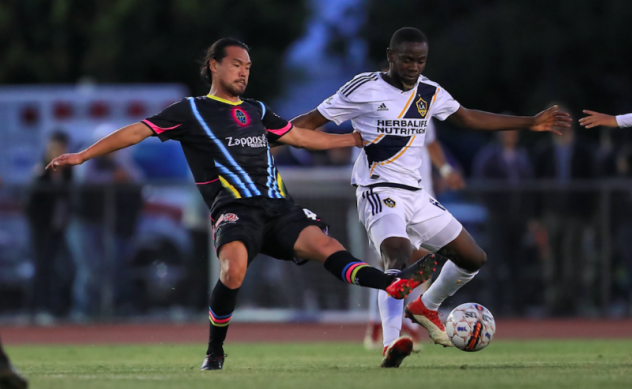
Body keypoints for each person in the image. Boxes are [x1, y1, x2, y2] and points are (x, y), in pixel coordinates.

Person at [47, 38, 437, 370]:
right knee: (233, 272)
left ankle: (392, 283)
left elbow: (300, 138)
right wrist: (82, 156)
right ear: (213, 66)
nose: (243, 72)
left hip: (279, 206)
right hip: (235, 209)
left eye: (247, 66)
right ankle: (215, 351)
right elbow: (137, 131)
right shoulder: (191, 110)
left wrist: (351, 140)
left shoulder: (257, 110)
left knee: (327, 247)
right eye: (236, 64)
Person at [291, 27, 570, 366]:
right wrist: (263, 142)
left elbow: (467, 118)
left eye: (420, 61)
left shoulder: (429, 92)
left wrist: (530, 122)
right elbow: (307, 121)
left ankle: (427, 306)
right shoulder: (364, 87)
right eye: (407, 59)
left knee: (473, 258)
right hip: (379, 191)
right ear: (391, 56)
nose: (414, 67)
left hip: (419, 196)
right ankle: (391, 344)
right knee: (397, 256)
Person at [364, 119, 465, 350]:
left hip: (422, 197)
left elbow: (430, 143)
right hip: (388, 196)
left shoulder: (422, 105)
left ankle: (409, 325)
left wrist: (446, 169)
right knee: (388, 261)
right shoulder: (375, 109)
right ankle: (378, 325)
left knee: (422, 259)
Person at [532, 115, 597, 315]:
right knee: (552, 260)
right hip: (551, 213)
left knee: (573, 260)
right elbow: (535, 184)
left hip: (575, 214)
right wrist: (536, 216)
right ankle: (554, 303)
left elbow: (592, 184)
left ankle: (571, 302)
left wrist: (589, 216)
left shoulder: (583, 150)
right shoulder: (543, 150)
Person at [473, 130, 535, 314]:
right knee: (496, 263)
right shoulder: (489, 156)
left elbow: (529, 187)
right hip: (497, 218)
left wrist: (528, 214)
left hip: (518, 218)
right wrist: (495, 209)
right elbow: (482, 186)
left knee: (517, 262)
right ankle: (496, 305)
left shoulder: (522, 156)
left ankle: (518, 306)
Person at [25, 130, 74, 321]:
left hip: (62, 228)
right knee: (43, 268)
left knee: (64, 269)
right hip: (43, 229)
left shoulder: (69, 172)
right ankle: (38, 309)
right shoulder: (41, 173)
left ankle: (60, 309)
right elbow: (30, 205)